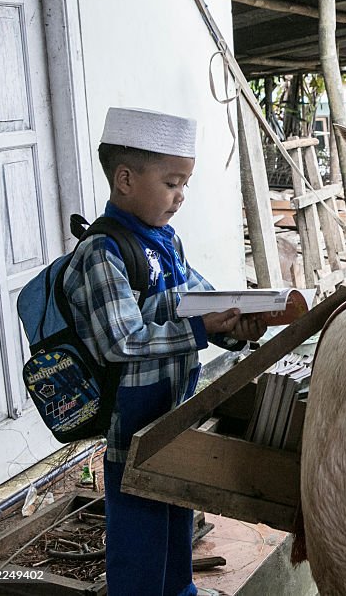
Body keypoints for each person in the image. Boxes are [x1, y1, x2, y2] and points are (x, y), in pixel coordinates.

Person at [62, 107, 266, 596]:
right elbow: (122, 340)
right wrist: (198, 326)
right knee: (140, 542)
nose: (181, 196)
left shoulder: (166, 243)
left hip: (174, 418)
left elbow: (204, 300)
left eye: (186, 183)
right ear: (126, 179)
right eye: (173, 182)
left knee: (177, 525)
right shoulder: (101, 253)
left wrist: (240, 323)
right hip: (130, 429)